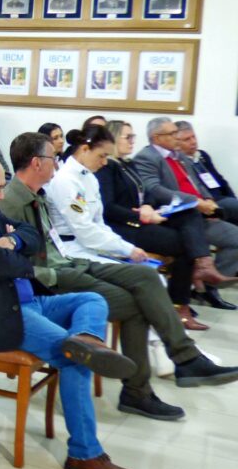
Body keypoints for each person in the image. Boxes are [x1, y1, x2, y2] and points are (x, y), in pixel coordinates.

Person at [0, 131, 238, 422]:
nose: (57, 162)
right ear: (37, 163)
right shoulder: (11, 203)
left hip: (70, 261)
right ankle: (142, 389)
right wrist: (57, 271)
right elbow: (11, 262)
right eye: (52, 157)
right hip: (52, 278)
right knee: (136, 304)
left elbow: (56, 241)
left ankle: (183, 359)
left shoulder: (39, 194)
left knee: (146, 278)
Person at [0, 154, 137, 469]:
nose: (1, 196)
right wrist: (17, 258)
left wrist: (11, 240)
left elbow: (32, 235)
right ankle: (83, 454)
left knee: (92, 300)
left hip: (22, 301)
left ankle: (86, 339)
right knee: (75, 360)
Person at [96, 121, 236, 319]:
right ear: (113, 139)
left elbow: (148, 193)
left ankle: (195, 280)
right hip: (124, 226)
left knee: (189, 215)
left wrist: (147, 206)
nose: (133, 141)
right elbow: (108, 208)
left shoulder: (127, 164)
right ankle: (180, 304)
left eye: (133, 137)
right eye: (128, 137)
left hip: (144, 217)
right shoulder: (107, 167)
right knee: (185, 243)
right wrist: (140, 214)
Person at [133, 117, 238, 251]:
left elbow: (197, 183)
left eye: (176, 132)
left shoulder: (178, 155)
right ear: (157, 138)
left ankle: (217, 264)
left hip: (200, 210)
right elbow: (155, 189)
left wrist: (208, 199)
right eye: (172, 133)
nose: (177, 137)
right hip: (181, 215)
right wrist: (194, 201)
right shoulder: (146, 157)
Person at [177, 121, 238, 211]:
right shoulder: (178, 162)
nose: (193, 142)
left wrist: (233, 198)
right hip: (205, 202)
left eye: (194, 137)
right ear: (177, 143)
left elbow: (220, 179)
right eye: (187, 139)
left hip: (221, 197)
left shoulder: (202, 155)